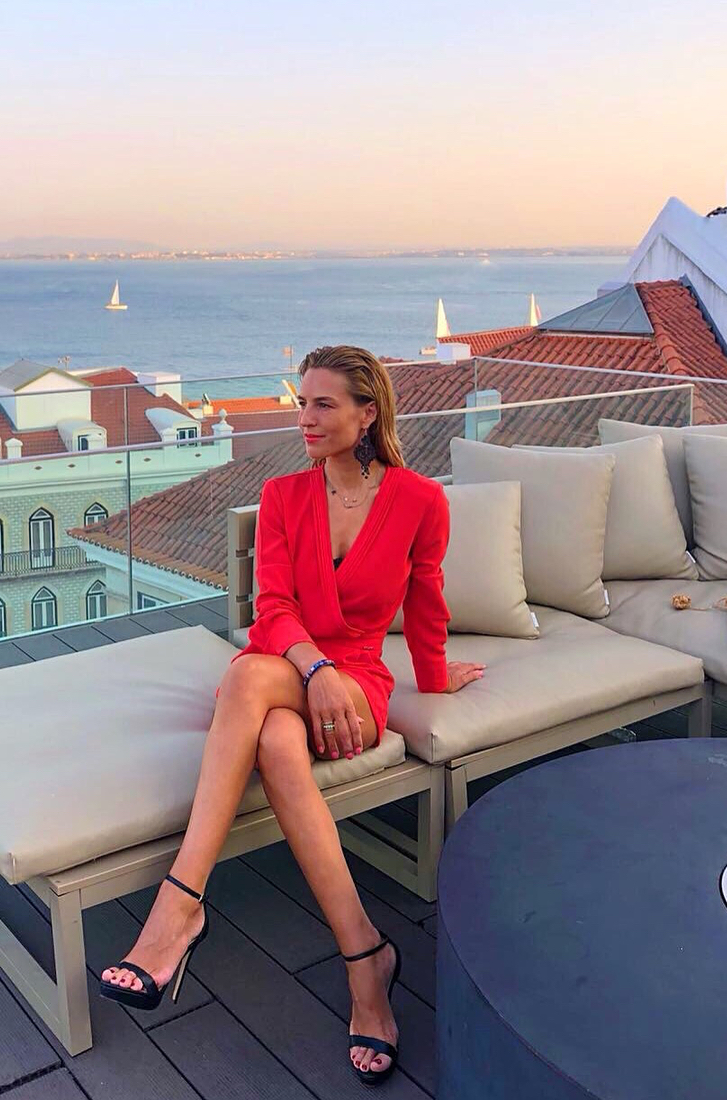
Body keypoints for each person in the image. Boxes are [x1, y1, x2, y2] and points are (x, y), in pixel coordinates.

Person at [98, 345, 485, 1084]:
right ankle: (365, 958)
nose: (304, 417)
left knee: (248, 682)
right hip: (294, 669)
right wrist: (315, 670)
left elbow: (425, 603)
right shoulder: (282, 495)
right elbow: (271, 608)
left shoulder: (419, 500)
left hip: (356, 685)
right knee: (273, 731)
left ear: (366, 414)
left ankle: (179, 907)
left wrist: (437, 678)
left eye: (322, 404)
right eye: (301, 402)